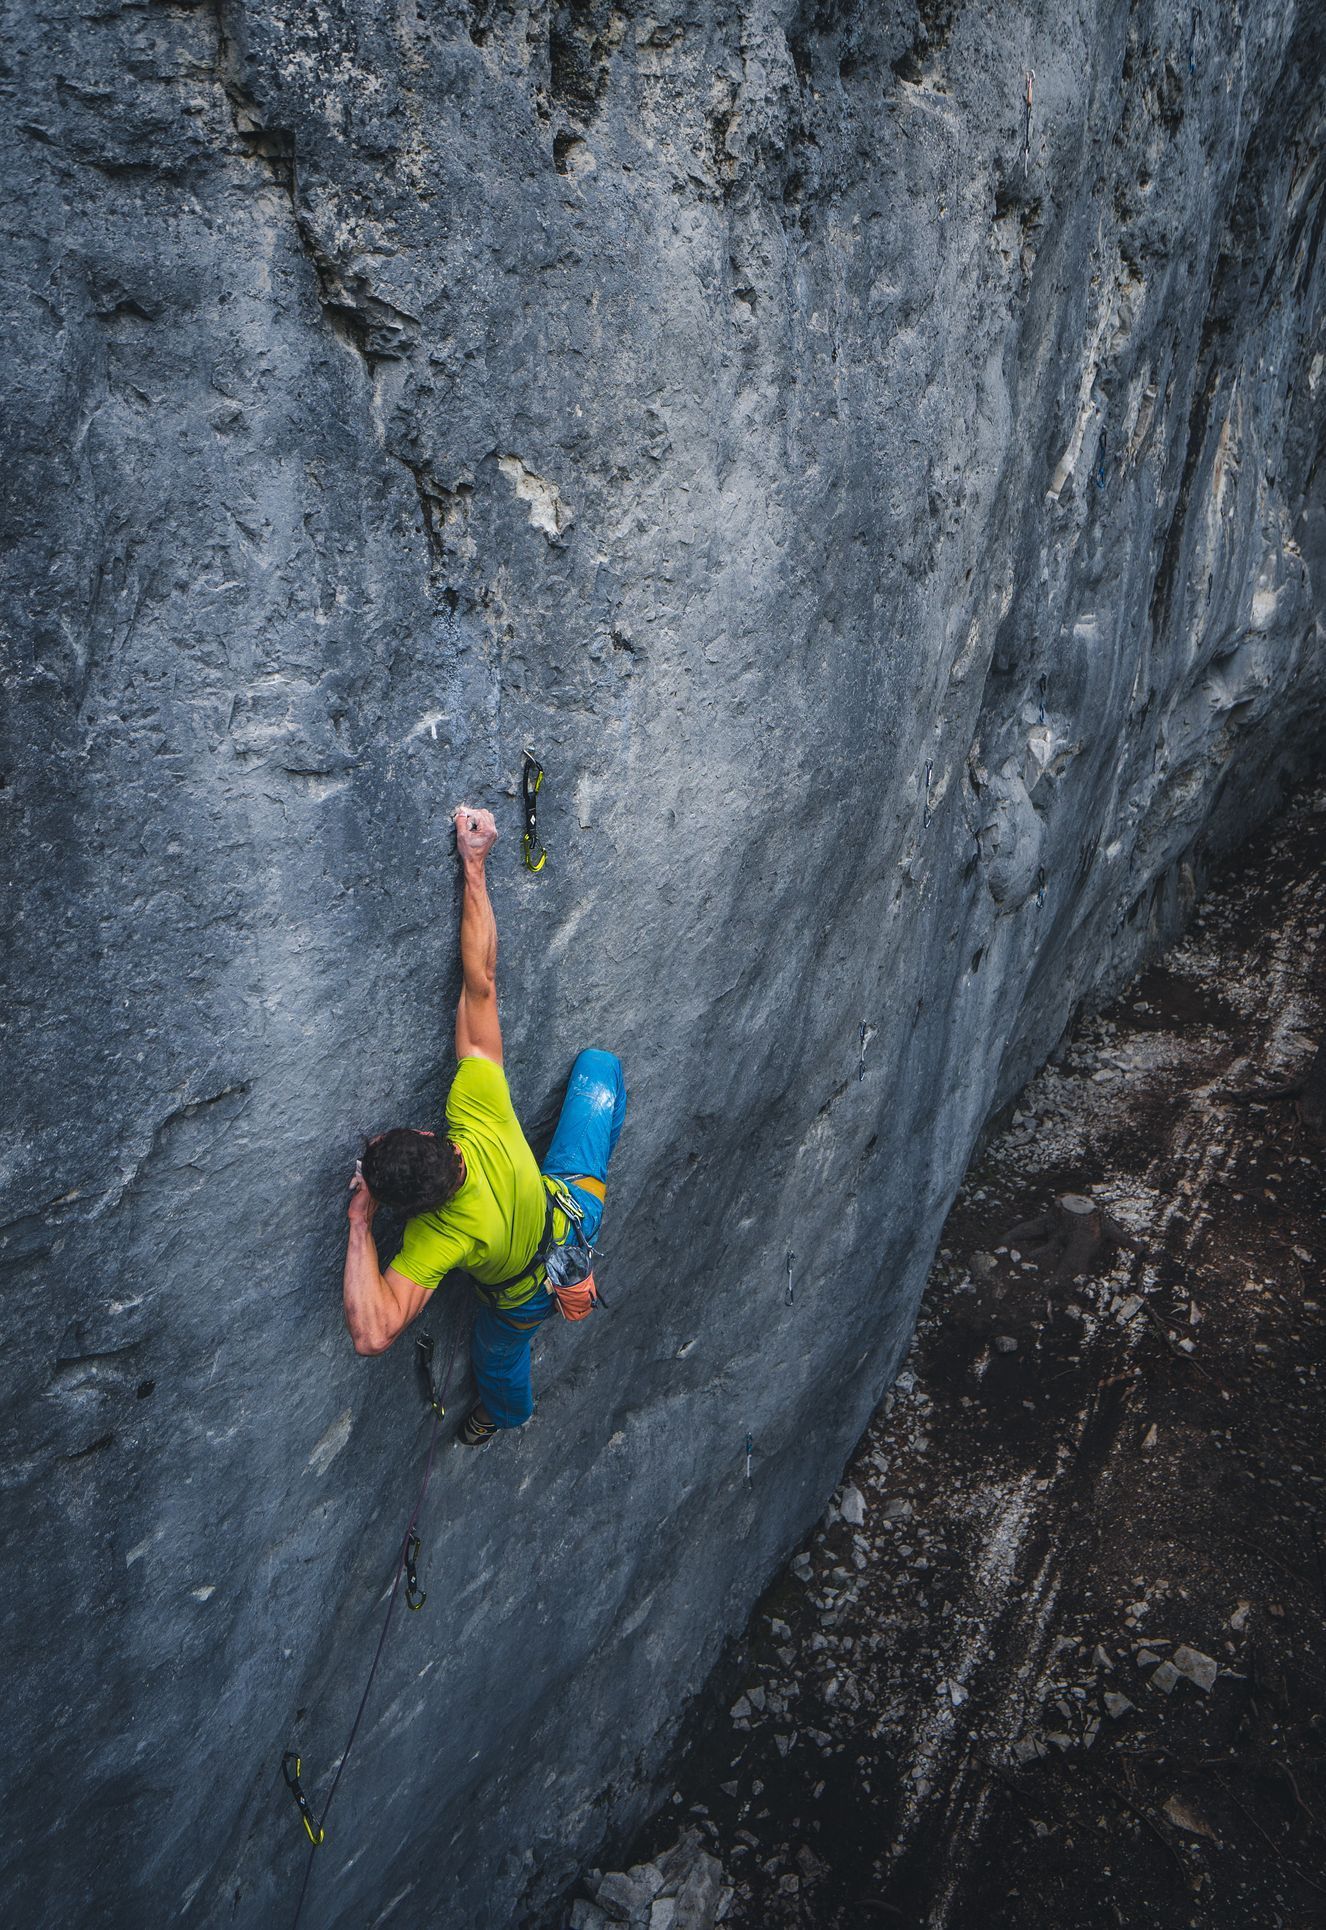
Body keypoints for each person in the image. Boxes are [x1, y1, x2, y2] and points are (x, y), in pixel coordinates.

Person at [341, 803, 626, 1445]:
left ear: (405, 1211)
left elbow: (374, 1332)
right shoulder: (475, 1104)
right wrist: (476, 865)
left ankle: (504, 1413)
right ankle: (510, 1406)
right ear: (430, 1137)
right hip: (571, 1209)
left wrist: (361, 1223)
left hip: (526, 1288)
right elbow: (482, 982)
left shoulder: (435, 1239)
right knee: (601, 1071)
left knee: (500, 1356)